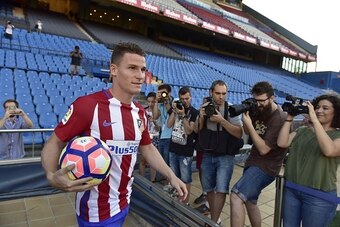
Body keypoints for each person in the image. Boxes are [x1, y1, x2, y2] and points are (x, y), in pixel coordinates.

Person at [41, 42, 187, 227]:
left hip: (124, 202)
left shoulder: (140, 112)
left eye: (143, 69)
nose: (140, 75)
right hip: (96, 211)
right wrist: (51, 175)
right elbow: (54, 142)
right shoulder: (88, 106)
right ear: (114, 70)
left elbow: (148, 148)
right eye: (132, 68)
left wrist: (171, 176)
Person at [230, 81, 287, 227]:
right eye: (256, 100)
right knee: (250, 201)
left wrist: (249, 124)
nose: (258, 104)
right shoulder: (259, 110)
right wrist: (246, 118)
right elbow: (248, 132)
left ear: (272, 98)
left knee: (236, 196)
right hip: (253, 162)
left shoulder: (279, 118)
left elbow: (264, 149)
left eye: (262, 101)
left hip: (266, 167)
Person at [277, 94, 340, 227]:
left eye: (325, 108)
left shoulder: (337, 135)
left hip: (319, 197)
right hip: (292, 190)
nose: (319, 111)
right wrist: (289, 117)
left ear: (336, 112)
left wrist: (314, 121)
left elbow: (329, 151)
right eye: (317, 107)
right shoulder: (303, 130)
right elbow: (282, 142)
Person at [195, 80, 243, 223]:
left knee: (221, 189)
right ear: (211, 92)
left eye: (224, 94)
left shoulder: (231, 109)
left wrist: (222, 120)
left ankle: (214, 221)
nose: (221, 97)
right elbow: (197, 130)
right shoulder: (205, 108)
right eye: (218, 93)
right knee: (208, 188)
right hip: (208, 152)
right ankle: (214, 219)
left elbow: (239, 133)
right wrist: (202, 116)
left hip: (225, 155)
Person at [167, 86, 199, 204]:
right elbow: (169, 125)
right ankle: (175, 198)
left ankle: (185, 202)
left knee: (185, 178)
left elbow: (189, 130)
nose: (185, 101)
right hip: (173, 148)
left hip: (186, 151)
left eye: (187, 98)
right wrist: (175, 112)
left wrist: (184, 115)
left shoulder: (194, 112)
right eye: (182, 99)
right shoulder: (176, 109)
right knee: (174, 177)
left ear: (191, 97)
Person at [152, 84, 173, 181]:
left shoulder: (174, 102)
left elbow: (171, 112)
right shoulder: (160, 104)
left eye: (164, 93)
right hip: (162, 136)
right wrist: (156, 101)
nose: (162, 95)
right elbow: (155, 117)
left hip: (171, 137)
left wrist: (167, 101)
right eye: (160, 93)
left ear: (169, 93)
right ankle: (162, 181)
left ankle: (169, 182)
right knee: (162, 162)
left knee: (169, 163)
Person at [139, 92, 160, 182]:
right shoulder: (143, 111)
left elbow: (159, 128)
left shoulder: (159, 112)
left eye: (152, 102)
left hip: (155, 137)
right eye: (149, 102)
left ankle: (152, 181)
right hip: (145, 136)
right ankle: (142, 180)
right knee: (142, 161)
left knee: (153, 162)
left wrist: (154, 121)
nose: (150, 104)